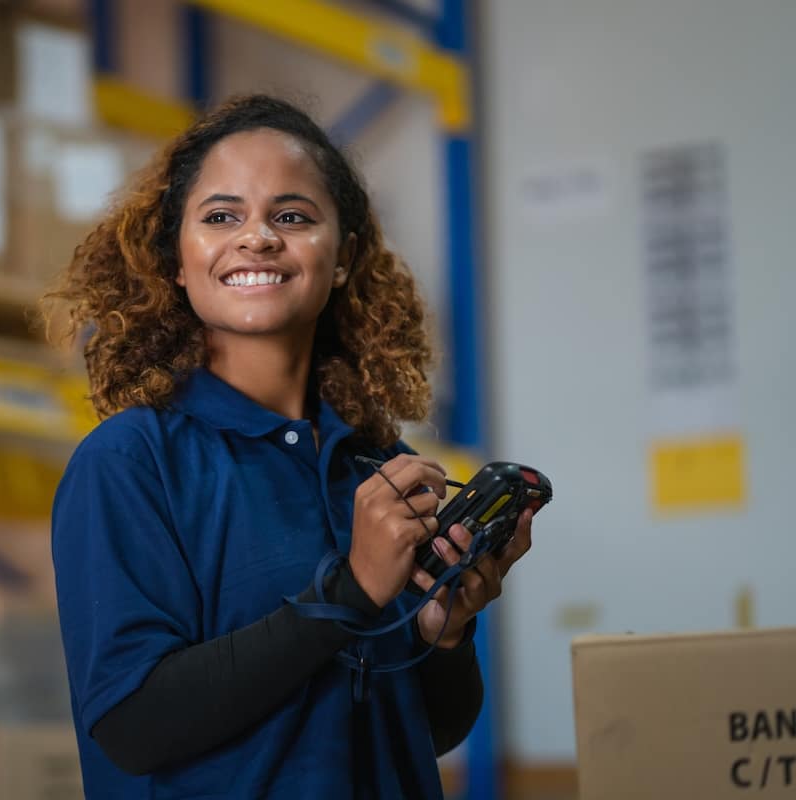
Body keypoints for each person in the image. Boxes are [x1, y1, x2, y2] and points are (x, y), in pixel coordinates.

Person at [44, 94, 534, 799]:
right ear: (177, 262)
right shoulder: (129, 463)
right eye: (221, 216)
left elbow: (431, 729)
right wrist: (351, 591)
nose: (258, 237)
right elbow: (132, 724)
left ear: (342, 258)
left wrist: (444, 634)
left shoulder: (378, 465)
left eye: (292, 216)